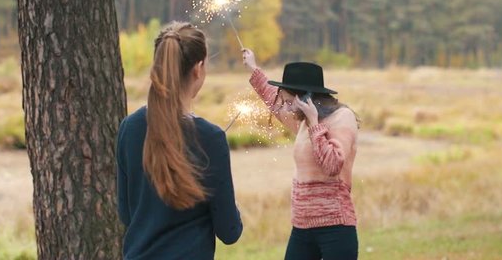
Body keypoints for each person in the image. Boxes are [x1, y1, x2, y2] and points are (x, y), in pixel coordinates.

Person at [116, 22, 243, 260]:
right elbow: (229, 231)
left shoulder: (129, 128)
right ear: (198, 68)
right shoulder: (211, 138)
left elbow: (126, 213)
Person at [242, 49, 359, 260]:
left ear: (306, 97)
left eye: (289, 102)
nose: (286, 107)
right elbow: (274, 101)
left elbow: (332, 165)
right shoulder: (302, 122)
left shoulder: (342, 117)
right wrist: (253, 67)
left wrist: (314, 123)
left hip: (335, 226)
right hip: (301, 226)